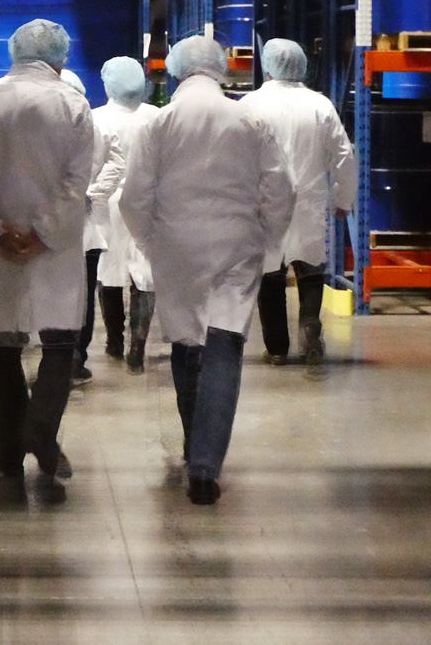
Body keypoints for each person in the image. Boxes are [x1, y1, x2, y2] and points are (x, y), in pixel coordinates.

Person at [119, 35, 293, 505]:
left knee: (186, 340)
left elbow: (134, 197)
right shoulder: (249, 119)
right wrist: (269, 238)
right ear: (221, 69)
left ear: (176, 69)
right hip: (237, 244)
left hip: (176, 245)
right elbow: (281, 188)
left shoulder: (159, 123)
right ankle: (204, 465)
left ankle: (191, 441)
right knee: (224, 342)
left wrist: (150, 240)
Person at [0, 19, 96, 506]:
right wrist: (43, 233)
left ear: (14, 52)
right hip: (55, 248)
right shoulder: (72, 104)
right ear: (60, 57)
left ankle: (8, 456)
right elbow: (77, 182)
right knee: (59, 343)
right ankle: (41, 431)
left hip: (1, 246)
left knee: (4, 347)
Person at [239, 38, 357, 369]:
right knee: (310, 269)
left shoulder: (249, 105)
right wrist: (344, 199)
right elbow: (345, 157)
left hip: (264, 204)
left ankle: (277, 348)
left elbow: (234, 155)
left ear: (267, 66)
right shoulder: (320, 105)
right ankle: (309, 327)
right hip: (310, 202)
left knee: (270, 276)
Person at [90, 57, 161, 374]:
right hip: (147, 203)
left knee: (109, 271)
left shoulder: (96, 119)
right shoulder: (157, 117)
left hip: (107, 203)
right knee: (144, 273)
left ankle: (114, 341)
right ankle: (138, 344)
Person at [62, 67, 122, 386]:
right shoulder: (96, 128)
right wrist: (93, 193)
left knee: (53, 295)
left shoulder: (40, 129)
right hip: (86, 227)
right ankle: (76, 359)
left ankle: (57, 358)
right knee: (82, 297)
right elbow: (116, 163)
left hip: (51, 230)